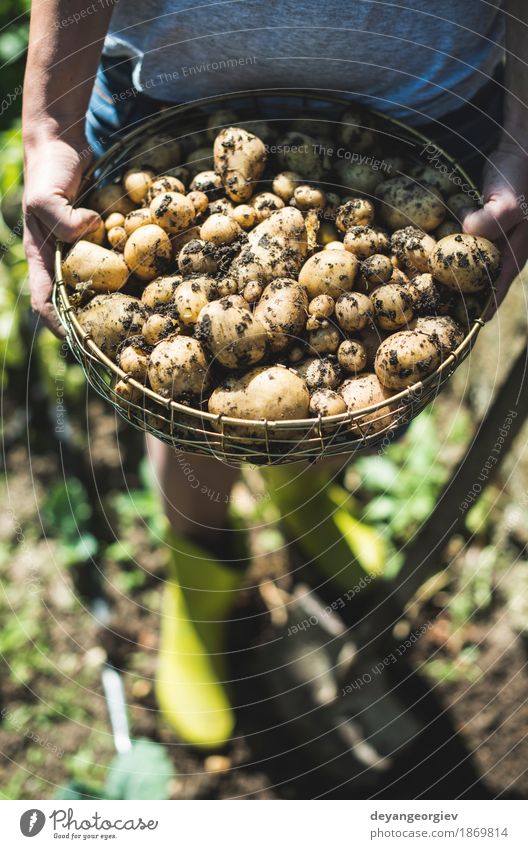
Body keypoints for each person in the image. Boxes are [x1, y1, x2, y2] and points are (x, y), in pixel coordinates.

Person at [22, 0, 528, 748]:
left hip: (423, 110)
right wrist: (50, 126)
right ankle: (200, 580)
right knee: (192, 415)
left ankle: (302, 498)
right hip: (169, 94)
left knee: (345, 400)